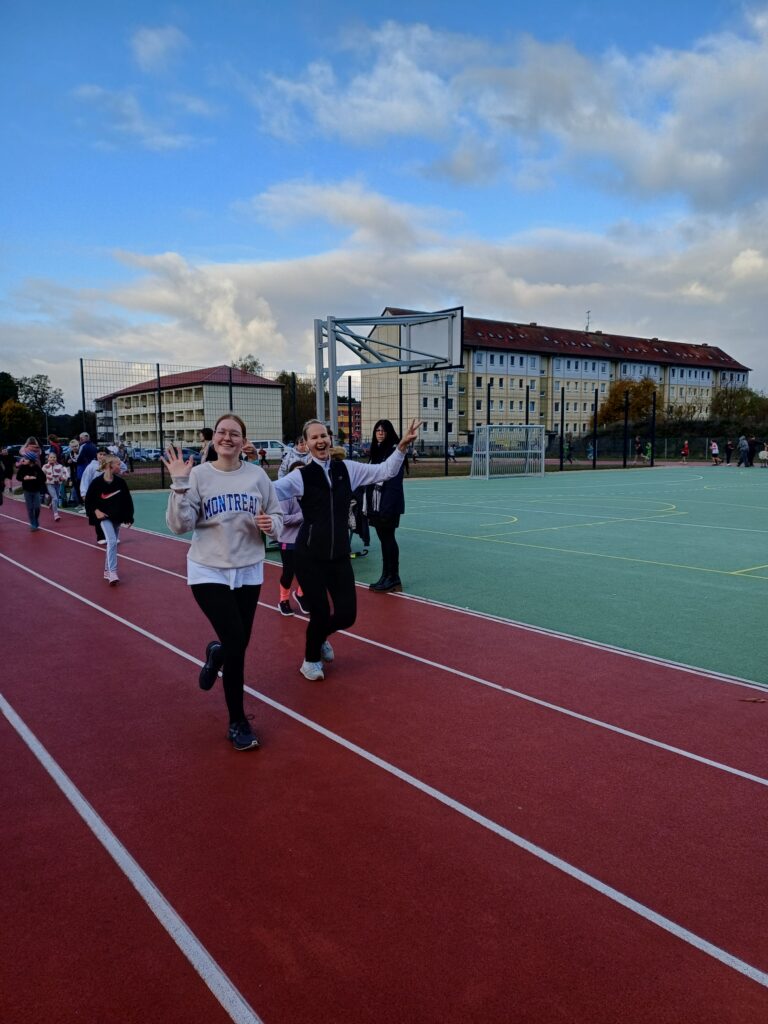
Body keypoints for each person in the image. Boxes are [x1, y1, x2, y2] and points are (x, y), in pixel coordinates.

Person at [163, 413, 283, 752]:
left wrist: (270, 524)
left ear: (243, 440)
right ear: (213, 438)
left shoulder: (257, 476)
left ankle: (216, 653)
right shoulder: (198, 475)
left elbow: (277, 514)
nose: (226, 438)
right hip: (208, 570)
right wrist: (178, 485)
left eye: (234, 433)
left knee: (236, 645)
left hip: (248, 569)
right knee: (236, 643)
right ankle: (237, 721)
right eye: (221, 432)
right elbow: (179, 525)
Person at [273, 417, 422, 682]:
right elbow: (270, 491)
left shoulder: (347, 469)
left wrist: (400, 447)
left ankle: (320, 639)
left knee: (347, 615)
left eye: (324, 436)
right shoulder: (300, 477)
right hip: (309, 555)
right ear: (306, 444)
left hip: (339, 556)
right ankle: (310, 660)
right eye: (314, 437)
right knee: (319, 613)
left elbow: (385, 471)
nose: (320, 441)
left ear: (330, 439)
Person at [364, 419, 408, 594]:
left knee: (388, 539)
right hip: (376, 503)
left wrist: (386, 507)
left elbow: (394, 482)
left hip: (388, 503)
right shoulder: (376, 452)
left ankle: (394, 577)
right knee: (384, 539)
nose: (380, 433)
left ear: (389, 432)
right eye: (377, 430)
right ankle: (386, 575)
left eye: (383, 430)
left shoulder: (393, 451)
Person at [84, 454, 134, 585]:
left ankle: (107, 570)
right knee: (112, 541)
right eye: (118, 463)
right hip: (104, 518)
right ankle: (113, 572)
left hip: (117, 517)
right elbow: (89, 501)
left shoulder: (120, 483)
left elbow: (127, 501)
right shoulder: (96, 483)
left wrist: (129, 517)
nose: (120, 466)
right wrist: (96, 511)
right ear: (109, 465)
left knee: (112, 543)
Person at [276, 463, 307, 615]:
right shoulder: (285, 494)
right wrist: (305, 515)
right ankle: (283, 600)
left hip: (307, 539)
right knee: (289, 572)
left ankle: (301, 595)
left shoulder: (310, 492)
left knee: (309, 571)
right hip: (289, 540)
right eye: (297, 473)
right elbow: (284, 519)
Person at [16, 452, 46, 530]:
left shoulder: (37, 468)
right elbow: (18, 477)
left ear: (31, 460)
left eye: (26, 459)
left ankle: (36, 519)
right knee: (30, 508)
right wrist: (24, 478)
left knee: (37, 507)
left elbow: (43, 478)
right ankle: (33, 523)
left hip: (36, 490)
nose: (23, 460)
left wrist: (34, 478)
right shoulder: (23, 467)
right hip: (27, 490)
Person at [43, 451, 68, 521]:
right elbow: (41, 475)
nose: (52, 459)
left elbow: (65, 473)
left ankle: (51, 504)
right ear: (48, 458)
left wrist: (64, 477)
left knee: (55, 497)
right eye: (51, 457)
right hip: (49, 484)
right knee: (55, 498)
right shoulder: (45, 466)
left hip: (58, 484)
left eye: (54, 457)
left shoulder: (60, 466)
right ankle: (56, 514)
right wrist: (44, 481)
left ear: (56, 458)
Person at [76, 432, 98, 502]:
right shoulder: (94, 445)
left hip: (84, 467)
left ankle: (83, 503)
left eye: (81, 438)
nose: (80, 440)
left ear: (82, 438)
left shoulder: (83, 446)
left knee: (83, 485)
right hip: (93, 466)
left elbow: (79, 458)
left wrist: (76, 461)